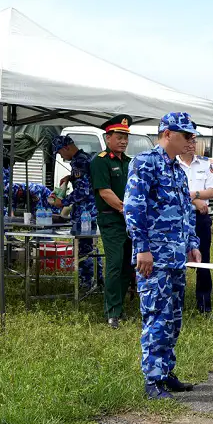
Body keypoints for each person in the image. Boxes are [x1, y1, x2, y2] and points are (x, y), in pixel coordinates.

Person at [124, 112, 203, 399]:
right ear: (167, 134)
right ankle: (152, 380)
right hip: (153, 259)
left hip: (176, 258)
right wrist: (142, 248)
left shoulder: (178, 171)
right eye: (186, 135)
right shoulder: (145, 164)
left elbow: (186, 212)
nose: (190, 141)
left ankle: (167, 372)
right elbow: (133, 208)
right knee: (156, 317)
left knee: (173, 318)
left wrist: (193, 243)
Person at [90, 115, 135, 328]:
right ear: (108, 137)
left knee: (128, 264)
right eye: (119, 137)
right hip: (112, 219)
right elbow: (105, 192)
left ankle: (120, 307)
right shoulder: (100, 161)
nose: (124, 141)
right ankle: (112, 312)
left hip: (129, 221)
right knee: (115, 264)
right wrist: (126, 210)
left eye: (126, 137)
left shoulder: (128, 162)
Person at [177, 132, 213, 313]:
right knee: (178, 260)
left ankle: (204, 304)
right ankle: (178, 303)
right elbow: (173, 193)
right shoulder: (172, 164)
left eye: (195, 141)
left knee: (203, 260)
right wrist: (194, 200)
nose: (192, 144)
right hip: (177, 219)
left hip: (200, 219)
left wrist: (194, 195)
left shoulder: (204, 163)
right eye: (189, 140)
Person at [53, 134, 97, 290]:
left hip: (85, 212)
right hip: (91, 210)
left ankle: (86, 282)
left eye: (60, 153)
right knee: (92, 247)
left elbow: (83, 191)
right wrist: (70, 177)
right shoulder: (85, 158)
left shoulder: (79, 162)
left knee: (84, 248)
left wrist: (63, 202)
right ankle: (98, 280)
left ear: (66, 147)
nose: (61, 157)